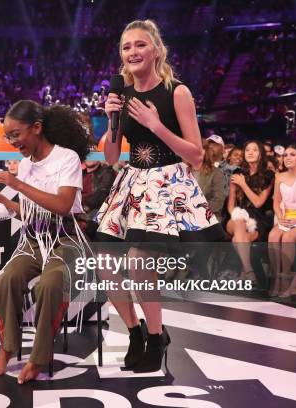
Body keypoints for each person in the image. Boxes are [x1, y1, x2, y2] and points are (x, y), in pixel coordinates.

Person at [95, 20, 224, 373]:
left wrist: (156, 125)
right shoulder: (121, 97)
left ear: (156, 50)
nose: (133, 52)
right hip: (132, 183)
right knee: (105, 263)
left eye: (140, 45)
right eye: (126, 47)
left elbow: (196, 155)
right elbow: (109, 157)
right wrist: (111, 121)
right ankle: (135, 332)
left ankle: (156, 336)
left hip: (167, 185)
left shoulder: (177, 92)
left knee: (138, 262)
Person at [0, 100, 91, 384]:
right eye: (8, 136)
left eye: (16, 134)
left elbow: (63, 206)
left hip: (66, 238)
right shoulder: (25, 165)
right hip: (34, 238)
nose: (12, 142)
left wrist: (16, 184)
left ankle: (39, 358)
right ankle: (8, 348)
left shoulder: (67, 158)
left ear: (37, 128)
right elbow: (28, 212)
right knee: (5, 280)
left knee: (51, 284)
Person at [267, 145, 296, 298]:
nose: (287, 157)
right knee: (273, 236)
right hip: (287, 217)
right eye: (285, 155)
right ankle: (276, 279)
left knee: (288, 237)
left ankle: (286, 279)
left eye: (292, 154)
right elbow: (276, 202)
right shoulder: (279, 177)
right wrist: (281, 217)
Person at [226, 140, 274, 282]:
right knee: (239, 220)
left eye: (255, 150)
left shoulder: (268, 175)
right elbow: (231, 203)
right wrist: (235, 214)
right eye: (247, 150)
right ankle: (249, 270)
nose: (250, 153)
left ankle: (245, 272)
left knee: (238, 240)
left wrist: (243, 184)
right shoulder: (237, 172)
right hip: (236, 217)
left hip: (257, 219)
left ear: (261, 154)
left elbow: (258, 203)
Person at [193, 140, 225, 221]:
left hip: (206, 216)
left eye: (201, 150)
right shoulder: (183, 171)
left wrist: (197, 209)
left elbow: (218, 202)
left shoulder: (216, 173)